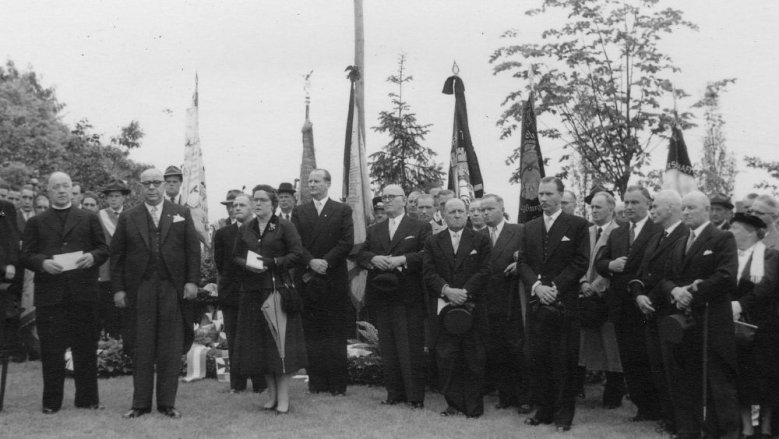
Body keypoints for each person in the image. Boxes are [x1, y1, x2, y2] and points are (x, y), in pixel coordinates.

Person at [111, 168, 200, 419]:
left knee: (170, 347)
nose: (152, 187)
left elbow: (193, 251)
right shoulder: (129, 217)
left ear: (164, 186)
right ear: (141, 186)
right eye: (147, 183)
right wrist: (118, 289)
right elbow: (116, 256)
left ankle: (167, 403)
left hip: (172, 287)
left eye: (156, 183)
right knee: (142, 345)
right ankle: (140, 404)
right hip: (141, 288)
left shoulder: (181, 213)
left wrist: (192, 281)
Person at [21, 172, 108, 414]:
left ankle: (88, 399)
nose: (61, 190)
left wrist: (92, 257)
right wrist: (42, 263)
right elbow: (25, 255)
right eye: (56, 187)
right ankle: (51, 402)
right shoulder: (36, 222)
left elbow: (103, 249)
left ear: (73, 190)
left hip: (84, 294)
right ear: (48, 191)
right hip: (51, 296)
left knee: (86, 349)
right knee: (51, 351)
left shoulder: (89, 218)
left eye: (65, 186)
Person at [658, 190, 739, 439]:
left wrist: (693, 292)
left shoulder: (722, 238)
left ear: (706, 209)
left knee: (717, 384)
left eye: (691, 208)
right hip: (685, 325)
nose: (685, 212)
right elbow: (665, 276)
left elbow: (726, 276)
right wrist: (674, 291)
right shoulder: (681, 240)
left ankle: (724, 433)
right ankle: (689, 431)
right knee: (687, 381)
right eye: (683, 208)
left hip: (712, 324)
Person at [517, 176, 589, 432]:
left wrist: (555, 287)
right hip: (537, 304)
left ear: (561, 195)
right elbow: (523, 262)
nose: (544, 199)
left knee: (564, 361)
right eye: (541, 194)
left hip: (564, 305)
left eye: (549, 194)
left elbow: (581, 262)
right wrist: (537, 287)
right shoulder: (529, 227)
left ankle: (563, 415)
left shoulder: (578, 225)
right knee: (538, 359)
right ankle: (543, 410)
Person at [232, 185, 305, 414]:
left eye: (263, 200)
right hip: (252, 292)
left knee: (278, 348)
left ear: (272, 204)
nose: (258, 203)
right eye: (255, 200)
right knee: (259, 348)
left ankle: (283, 398)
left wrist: (273, 262)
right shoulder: (247, 228)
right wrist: (247, 265)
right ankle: (271, 397)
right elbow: (235, 256)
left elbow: (297, 254)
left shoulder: (284, 226)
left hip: (276, 291)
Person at [357, 184, 430, 409]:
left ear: (404, 200)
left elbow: (427, 255)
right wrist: (373, 259)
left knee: (410, 347)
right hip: (382, 295)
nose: (387, 201)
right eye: (384, 197)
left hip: (408, 296)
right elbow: (360, 253)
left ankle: (415, 396)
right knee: (387, 347)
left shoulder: (420, 227)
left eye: (392, 197)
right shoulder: (375, 229)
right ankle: (394, 393)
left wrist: (403, 260)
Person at [596, 185, 664, 422]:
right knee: (629, 358)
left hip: (646, 303)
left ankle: (656, 406)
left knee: (648, 357)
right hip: (621, 306)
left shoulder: (658, 230)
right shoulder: (617, 233)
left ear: (648, 203)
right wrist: (610, 265)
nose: (630, 207)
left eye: (635, 202)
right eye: (627, 202)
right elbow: (599, 262)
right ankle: (641, 405)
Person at [423, 198, 491, 418]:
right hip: (445, 309)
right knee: (446, 357)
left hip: (471, 307)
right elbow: (429, 273)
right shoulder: (433, 241)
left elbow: (485, 270)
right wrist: (447, 290)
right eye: (452, 212)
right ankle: (454, 404)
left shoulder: (480, 240)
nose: (457, 215)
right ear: (443, 215)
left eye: (461, 211)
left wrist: (464, 293)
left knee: (473, 358)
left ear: (467, 214)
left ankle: (473, 407)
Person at [630, 189, 689, 436]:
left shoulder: (685, 235)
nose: (652, 210)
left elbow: (673, 275)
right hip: (652, 311)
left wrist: (649, 297)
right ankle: (668, 417)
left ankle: (680, 422)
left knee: (674, 369)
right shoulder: (657, 236)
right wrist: (637, 294)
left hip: (670, 312)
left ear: (672, 209)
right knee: (658, 367)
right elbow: (643, 272)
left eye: (656, 206)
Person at [291, 168, 354, 396]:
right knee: (312, 332)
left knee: (335, 332)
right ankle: (316, 383)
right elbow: (295, 243)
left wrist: (325, 262)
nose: (312, 185)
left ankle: (337, 385)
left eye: (317, 181)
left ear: (328, 183)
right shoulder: (300, 212)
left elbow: (347, 242)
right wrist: (311, 262)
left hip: (333, 278)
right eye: (309, 181)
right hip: (308, 280)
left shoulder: (342, 210)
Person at [729, 212, 778, 438]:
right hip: (737, 326)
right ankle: (747, 426)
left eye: (735, 228)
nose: (730, 232)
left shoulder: (769, 256)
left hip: (764, 327)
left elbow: (766, 286)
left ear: (750, 232)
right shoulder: (730, 256)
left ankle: (766, 426)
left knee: (764, 379)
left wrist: (741, 303)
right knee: (741, 378)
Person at [479, 194, 530, 413]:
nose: (486, 213)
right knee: (496, 350)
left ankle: (525, 397)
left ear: (502, 208)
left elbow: (532, 257)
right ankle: (505, 395)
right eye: (483, 210)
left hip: (512, 300)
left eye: (490, 208)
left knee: (518, 350)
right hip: (487, 301)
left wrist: (520, 264)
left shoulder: (520, 231)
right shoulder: (477, 235)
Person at [213, 190, 264, 393]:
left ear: (251, 207)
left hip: (255, 291)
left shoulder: (260, 230)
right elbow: (220, 263)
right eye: (234, 206)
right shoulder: (223, 233)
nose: (237, 208)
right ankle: (237, 383)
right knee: (234, 339)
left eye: (242, 205)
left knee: (256, 338)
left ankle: (260, 384)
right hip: (231, 293)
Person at [577, 192, 625, 408]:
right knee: (585, 343)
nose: (594, 210)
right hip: (584, 295)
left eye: (598, 207)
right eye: (592, 207)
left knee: (611, 346)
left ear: (611, 208)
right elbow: (576, 260)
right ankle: (579, 389)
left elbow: (615, 266)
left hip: (608, 297)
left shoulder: (619, 233)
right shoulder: (584, 232)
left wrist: (595, 287)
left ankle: (613, 394)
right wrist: (582, 284)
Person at [96, 180, 130, 340]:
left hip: (127, 268)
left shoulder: (131, 215)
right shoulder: (99, 217)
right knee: (110, 310)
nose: (114, 199)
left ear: (124, 198)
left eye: (117, 196)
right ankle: (111, 343)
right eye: (110, 196)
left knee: (126, 311)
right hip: (107, 268)